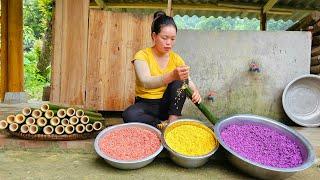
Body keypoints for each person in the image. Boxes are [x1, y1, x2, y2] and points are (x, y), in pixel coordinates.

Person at [122, 11, 202, 127]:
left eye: (173, 39)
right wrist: (171, 76)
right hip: (145, 105)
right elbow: (146, 82)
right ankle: (159, 124)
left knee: (181, 80)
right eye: (164, 38)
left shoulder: (176, 59)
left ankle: (172, 122)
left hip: (166, 105)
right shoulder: (142, 55)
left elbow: (187, 80)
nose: (169, 43)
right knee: (129, 115)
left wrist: (196, 92)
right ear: (154, 36)